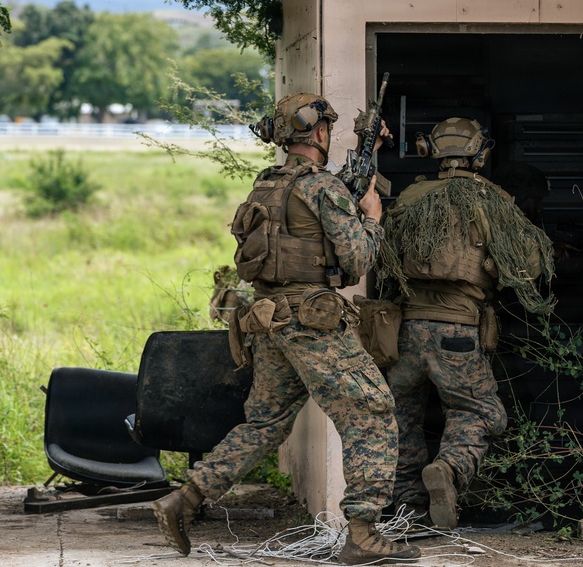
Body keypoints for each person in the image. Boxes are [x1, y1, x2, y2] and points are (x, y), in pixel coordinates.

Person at [152, 93, 420, 565]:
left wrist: (367, 153)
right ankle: (363, 534)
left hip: (269, 318)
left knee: (266, 422)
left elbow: (304, 224)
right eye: (327, 130)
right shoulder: (323, 188)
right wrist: (373, 220)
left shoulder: (267, 184)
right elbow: (356, 260)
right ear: (318, 133)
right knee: (373, 410)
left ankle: (184, 500)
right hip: (312, 321)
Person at [377, 117, 556, 530]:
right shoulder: (491, 200)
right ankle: (450, 469)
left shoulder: (409, 197)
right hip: (457, 331)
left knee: (400, 415)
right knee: (479, 411)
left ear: (430, 151)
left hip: (403, 330)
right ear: (480, 153)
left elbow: (380, 254)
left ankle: (410, 507)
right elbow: (527, 266)